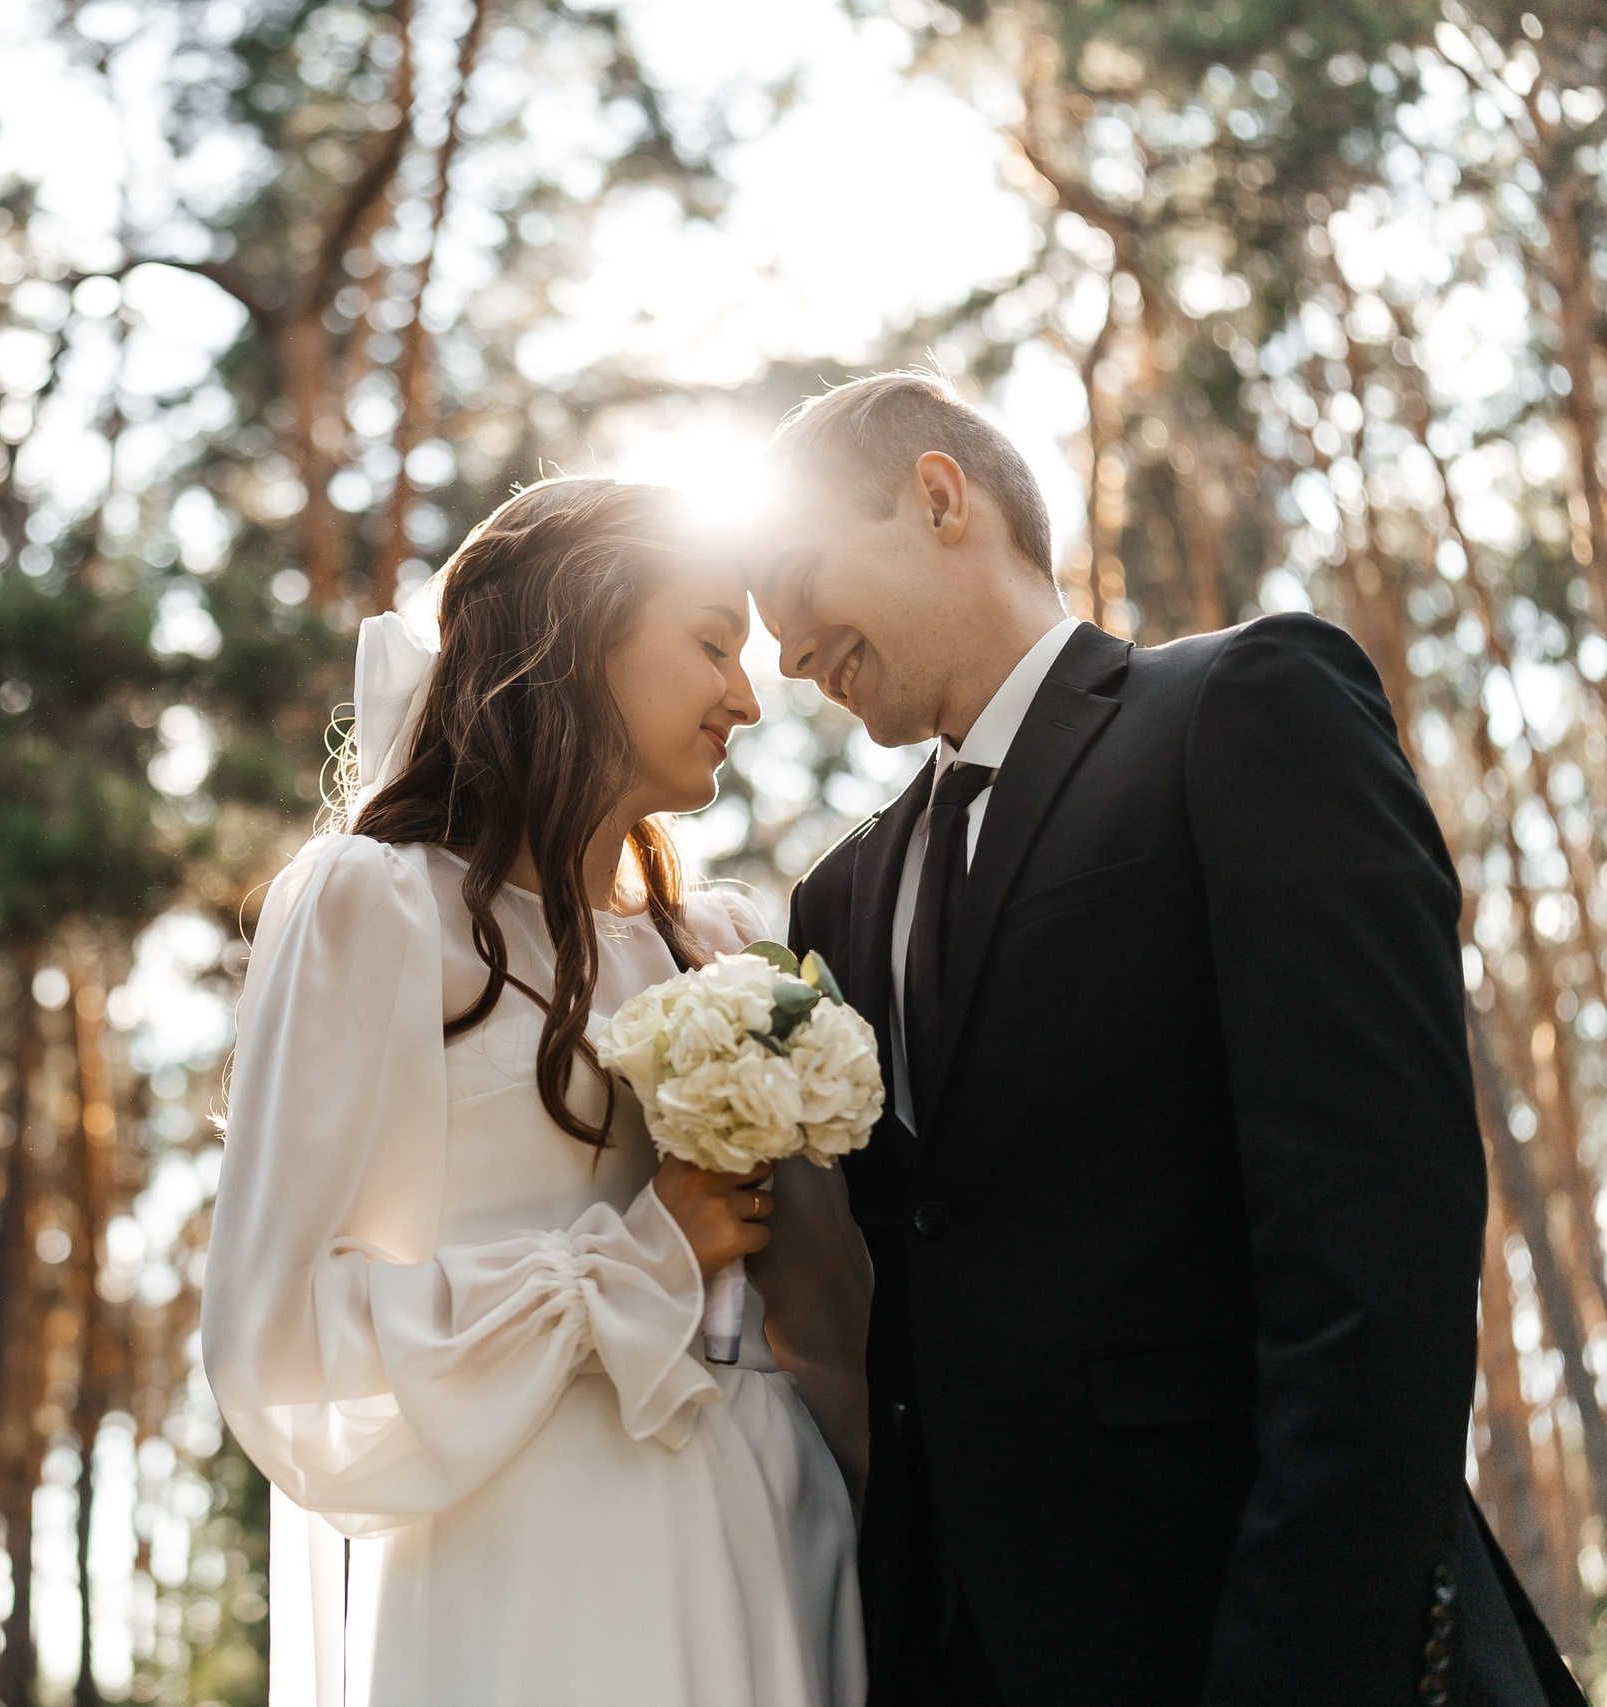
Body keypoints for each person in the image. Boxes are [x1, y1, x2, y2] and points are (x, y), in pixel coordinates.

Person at [751, 367, 1585, 1707]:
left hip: (1249, 1626)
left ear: (939, 494)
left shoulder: (1243, 707)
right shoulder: (836, 897)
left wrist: (1304, 1660)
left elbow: (1379, 1235)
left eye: (793, 581)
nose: (784, 651)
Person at [204, 477, 873, 1707]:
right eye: (712, 642)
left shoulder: (718, 943)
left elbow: (828, 1308)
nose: (747, 695)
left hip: (769, 1526)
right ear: (579, 631)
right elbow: (276, 1336)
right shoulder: (375, 907)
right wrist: (632, 1261)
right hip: (534, 1556)